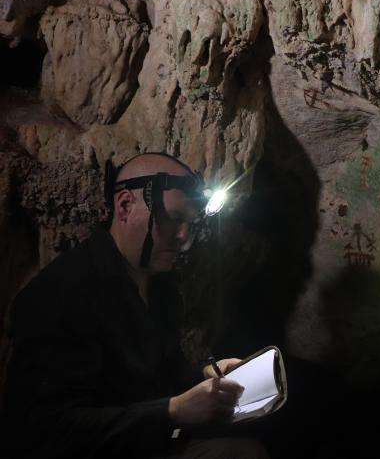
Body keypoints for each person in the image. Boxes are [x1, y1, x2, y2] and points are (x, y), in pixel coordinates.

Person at [1, 153, 269, 459]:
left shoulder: (162, 288)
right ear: (125, 206)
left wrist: (209, 374)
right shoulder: (61, 293)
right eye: (173, 218)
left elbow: (161, 376)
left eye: (190, 224)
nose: (184, 237)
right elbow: (47, 429)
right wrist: (172, 411)